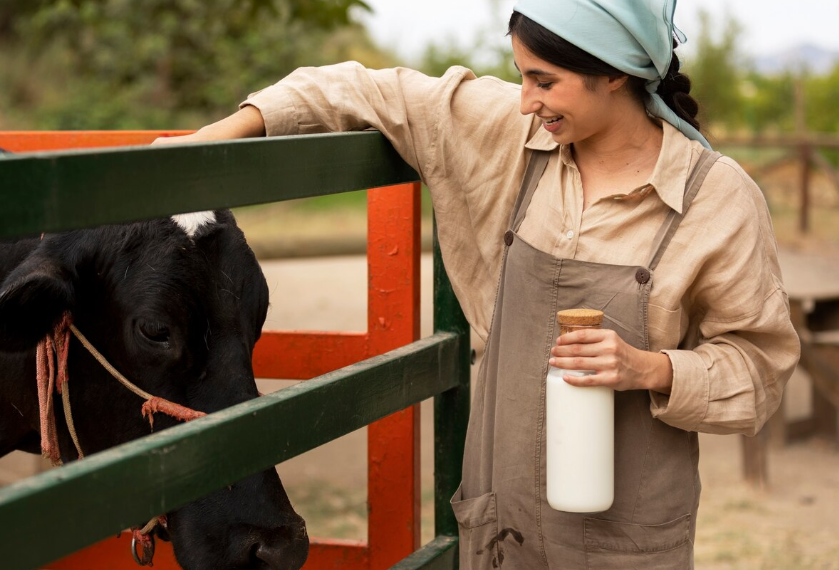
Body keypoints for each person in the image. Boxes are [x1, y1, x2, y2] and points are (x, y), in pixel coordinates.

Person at [154, 1, 800, 567]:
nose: (526, 100)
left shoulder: (718, 199)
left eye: (545, 80)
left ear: (614, 73)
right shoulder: (505, 139)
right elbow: (358, 89)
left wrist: (652, 368)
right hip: (503, 528)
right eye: (522, 76)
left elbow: (760, 369)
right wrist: (213, 142)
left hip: (629, 540)